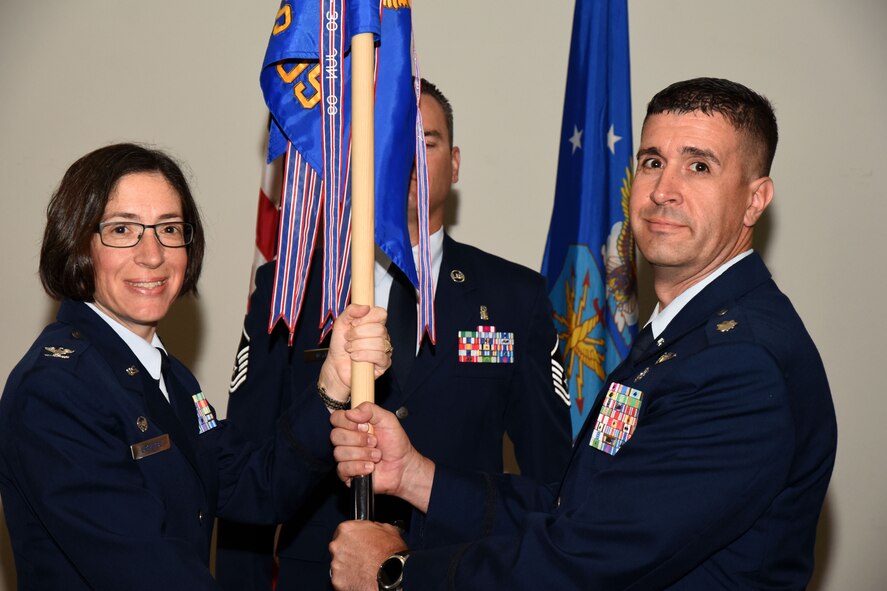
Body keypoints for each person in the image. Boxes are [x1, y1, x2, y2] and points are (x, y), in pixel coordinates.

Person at [329, 78, 838, 590]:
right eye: (652, 161)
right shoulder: (680, 334)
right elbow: (573, 510)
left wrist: (395, 575)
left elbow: (588, 560)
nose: (664, 191)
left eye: (699, 165)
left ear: (755, 200)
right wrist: (414, 476)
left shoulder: (740, 364)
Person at [215, 79, 572, 590]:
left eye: (427, 142)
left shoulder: (516, 298)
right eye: (388, 142)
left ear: (455, 163)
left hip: (458, 572)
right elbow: (243, 477)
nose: (408, 159)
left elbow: (551, 480)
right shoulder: (290, 288)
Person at [0, 143, 391, 590]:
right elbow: (149, 574)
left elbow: (253, 485)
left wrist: (333, 382)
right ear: (77, 242)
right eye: (123, 229)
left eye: (169, 228)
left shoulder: (165, 374)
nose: (153, 254)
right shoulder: (56, 389)